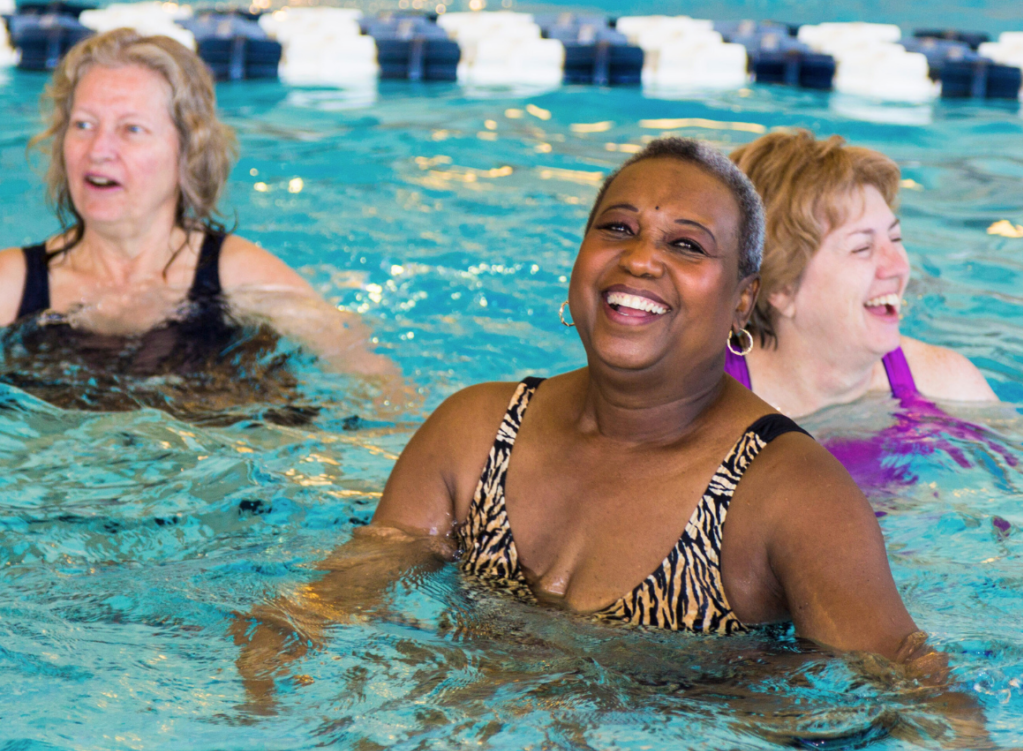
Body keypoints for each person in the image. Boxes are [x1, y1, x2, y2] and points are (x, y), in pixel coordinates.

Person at [234, 138, 938, 694]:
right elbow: (344, 589)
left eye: (686, 245)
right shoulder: (476, 433)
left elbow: (906, 683)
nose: (640, 260)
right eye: (618, 229)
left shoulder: (788, 494)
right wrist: (273, 662)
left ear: (742, 298)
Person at [0, 27, 397, 398]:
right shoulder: (13, 286)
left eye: (131, 129)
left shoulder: (242, 278)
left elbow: (371, 379)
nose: (98, 149)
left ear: (187, 153)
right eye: (83, 125)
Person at [725, 129, 996, 418]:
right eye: (862, 247)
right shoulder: (696, 403)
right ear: (781, 288)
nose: (899, 266)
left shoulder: (948, 387)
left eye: (895, 238)